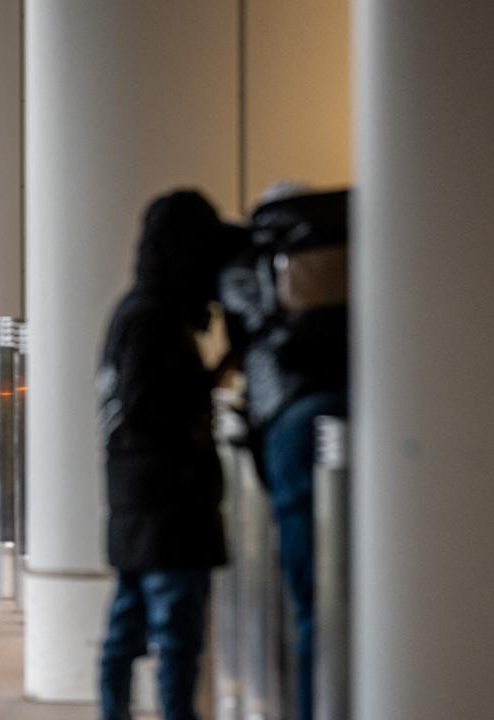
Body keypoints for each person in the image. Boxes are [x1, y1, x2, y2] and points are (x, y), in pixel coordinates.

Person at [96, 190, 241, 720]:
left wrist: (217, 369)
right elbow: (147, 405)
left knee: (129, 626)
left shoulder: (138, 311)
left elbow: (144, 399)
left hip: (140, 499)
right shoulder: (152, 319)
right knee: (174, 637)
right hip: (167, 505)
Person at [218, 183, 350, 720]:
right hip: (359, 417)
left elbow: (250, 349)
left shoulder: (248, 263)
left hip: (290, 422)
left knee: (311, 597)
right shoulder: (349, 250)